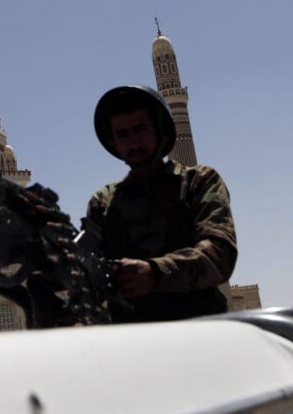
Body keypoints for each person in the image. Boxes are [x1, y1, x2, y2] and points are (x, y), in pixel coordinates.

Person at [83, 85, 237, 323]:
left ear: (159, 130)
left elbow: (219, 254)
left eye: (140, 129)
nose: (133, 142)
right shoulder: (103, 202)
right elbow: (89, 271)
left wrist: (155, 272)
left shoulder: (198, 182)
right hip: (132, 339)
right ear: (113, 142)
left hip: (200, 330)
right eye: (122, 134)